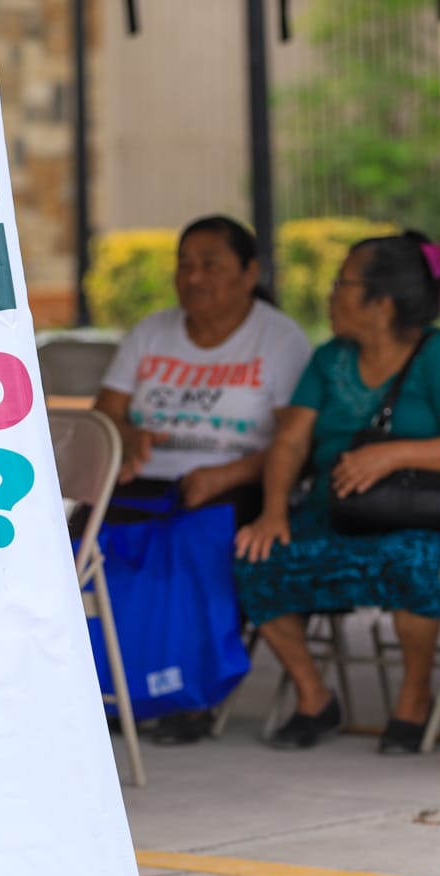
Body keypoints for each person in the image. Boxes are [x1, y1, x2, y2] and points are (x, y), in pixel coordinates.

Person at [234, 230, 440, 754]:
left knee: (407, 557)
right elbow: (290, 441)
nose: (330, 294)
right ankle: (314, 697)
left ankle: (414, 696)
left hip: (425, 514)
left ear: (381, 301)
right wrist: (273, 512)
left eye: (342, 283)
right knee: (255, 556)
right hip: (339, 508)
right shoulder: (330, 359)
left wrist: (392, 454)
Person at [94, 215, 312, 744]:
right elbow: (106, 412)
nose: (194, 277)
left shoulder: (279, 338)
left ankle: (188, 692)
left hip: (238, 477)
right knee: (92, 542)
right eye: (184, 264)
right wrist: (126, 432)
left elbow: (298, 440)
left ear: (248, 272)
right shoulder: (153, 331)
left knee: (197, 546)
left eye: (210, 264)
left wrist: (229, 473)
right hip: (147, 477)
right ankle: (110, 686)